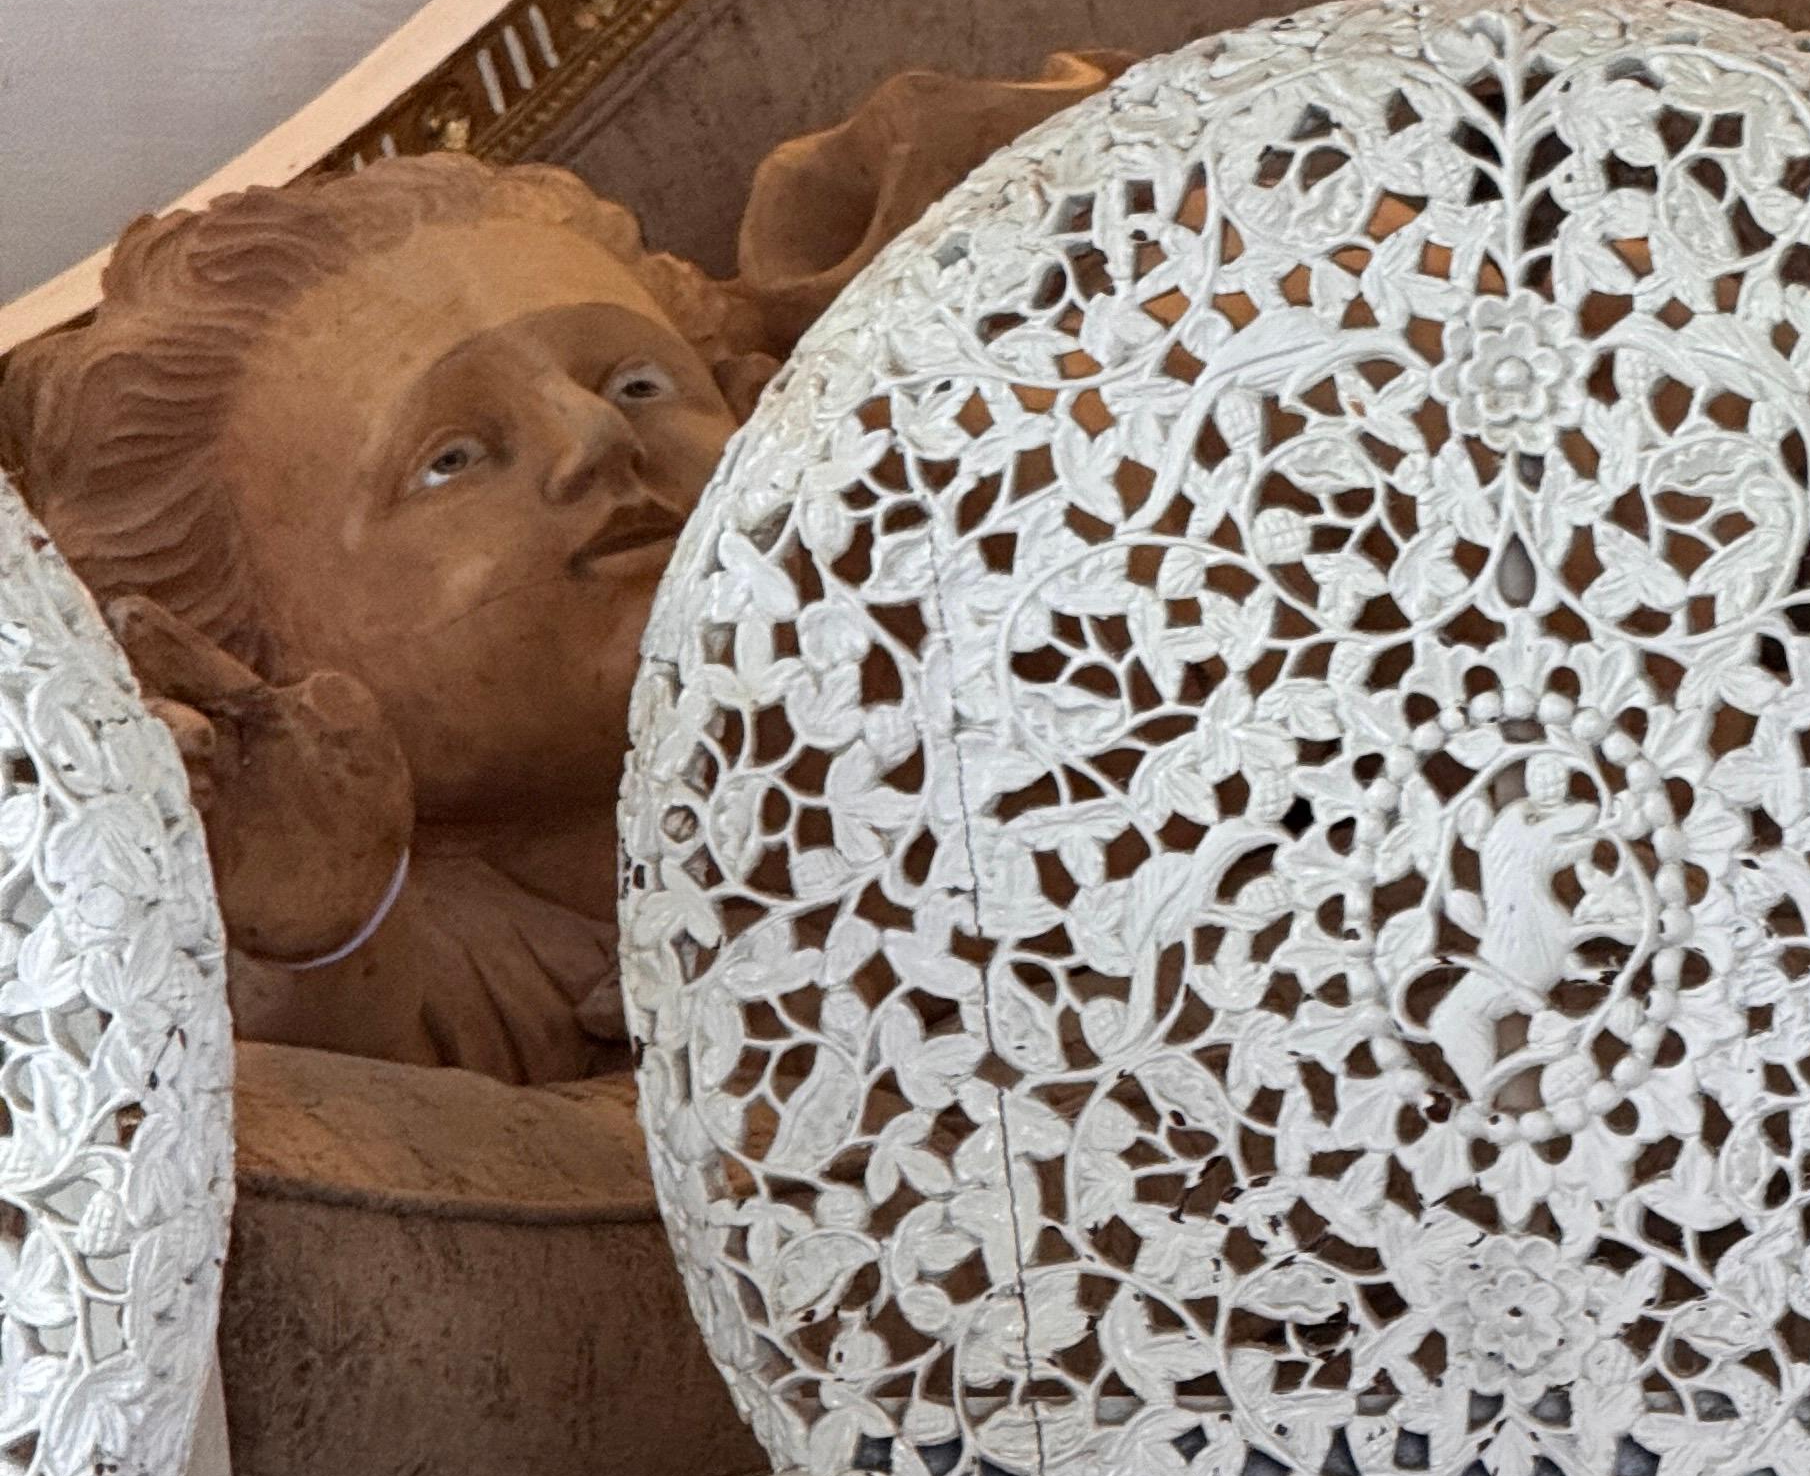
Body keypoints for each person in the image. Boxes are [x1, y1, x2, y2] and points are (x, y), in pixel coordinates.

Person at [0, 60, 1112, 1081]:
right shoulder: (435, 959)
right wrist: (325, 939)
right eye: (452, 459)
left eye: (639, 384)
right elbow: (347, 1126)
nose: (595, 438)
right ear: (250, 646)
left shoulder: (1006, 715)